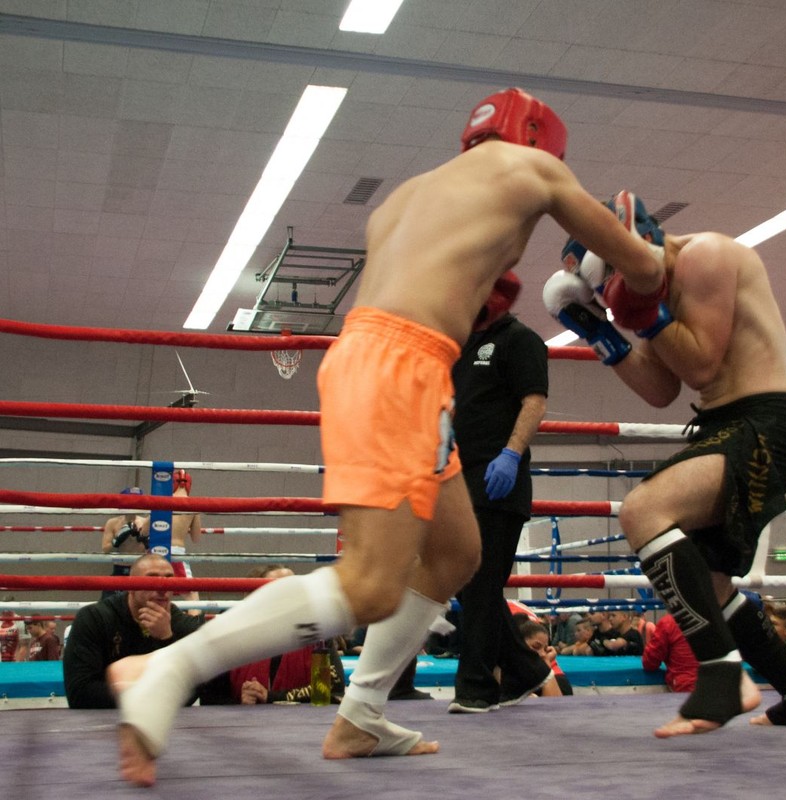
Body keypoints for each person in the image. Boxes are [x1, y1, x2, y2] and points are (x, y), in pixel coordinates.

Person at [109, 86, 665, 786]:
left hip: (390, 362)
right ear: (540, 141)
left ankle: (362, 714)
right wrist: (611, 278)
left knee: (457, 552)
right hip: (401, 368)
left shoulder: (404, 198)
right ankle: (168, 668)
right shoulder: (537, 170)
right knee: (371, 586)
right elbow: (645, 270)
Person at [543, 190, 786, 736]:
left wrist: (645, 317)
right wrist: (602, 334)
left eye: (614, 281)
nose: (615, 294)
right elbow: (661, 390)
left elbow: (701, 365)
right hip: (724, 428)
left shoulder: (707, 255)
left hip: (761, 425)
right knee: (710, 583)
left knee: (642, 510)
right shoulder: (654, 291)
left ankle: (723, 677)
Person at [448, 272, 554, 713]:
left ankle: (476, 688)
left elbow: (534, 400)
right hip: (460, 475)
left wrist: (511, 453)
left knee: (481, 582)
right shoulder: (462, 344)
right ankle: (525, 670)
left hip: (498, 479)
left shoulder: (520, 340)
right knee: (467, 582)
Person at [63, 553, 203, 709]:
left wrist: (165, 640)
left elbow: (191, 691)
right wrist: (155, 692)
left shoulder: (180, 623)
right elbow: (79, 694)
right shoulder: (95, 618)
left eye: (169, 579)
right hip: (102, 720)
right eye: (152, 579)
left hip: (160, 720)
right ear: (131, 586)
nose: (162, 588)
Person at [198, 566, 347, 705]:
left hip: (303, 722)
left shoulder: (316, 633)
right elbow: (210, 698)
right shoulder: (232, 634)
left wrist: (270, 697)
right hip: (246, 721)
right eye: (280, 593)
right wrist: (241, 702)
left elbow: (333, 689)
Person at [100, 487, 150, 600]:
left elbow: (156, 550)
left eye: (137, 501)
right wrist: (117, 540)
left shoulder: (146, 522)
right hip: (119, 569)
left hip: (140, 570)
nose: (134, 504)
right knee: (109, 606)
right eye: (131, 501)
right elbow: (105, 549)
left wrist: (145, 540)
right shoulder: (113, 523)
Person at [168, 470, 203, 610]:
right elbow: (196, 538)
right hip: (176, 552)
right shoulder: (193, 505)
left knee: (153, 592)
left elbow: (145, 530)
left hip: (155, 551)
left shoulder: (161, 500)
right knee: (192, 595)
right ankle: (196, 623)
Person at [641, 612, 699, 692]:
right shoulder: (713, 620)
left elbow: (649, 661)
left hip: (685, 688)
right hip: (713, 685)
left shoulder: (669, 622)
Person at [518, 619, 572, 695]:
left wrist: (546, 668)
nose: (543, 654)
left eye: (545, 649)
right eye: (536, 647)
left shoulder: (559, 680)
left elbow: (555, 702)